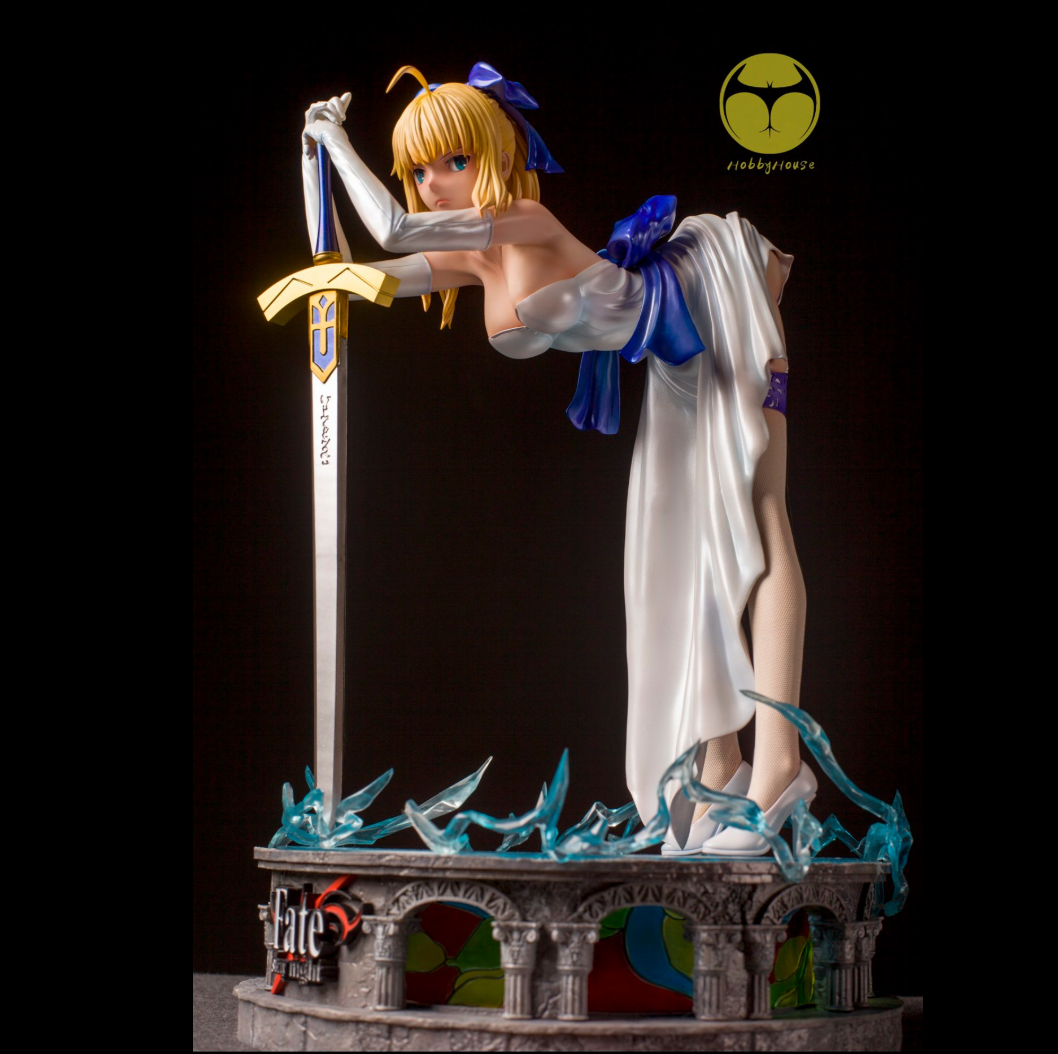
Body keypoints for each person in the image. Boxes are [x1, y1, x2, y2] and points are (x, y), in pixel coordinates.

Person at [300, 64, 815, 856]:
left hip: (717, 305)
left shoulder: (521, 219)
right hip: (676, 361)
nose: (434, 185)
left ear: (497, 155)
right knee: (684, 557)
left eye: (454, 161)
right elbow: (358, 274)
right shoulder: (475, 256)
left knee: (761, 518)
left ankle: (780, 770)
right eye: (420, 171)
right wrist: (310, 183)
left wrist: (336, 140)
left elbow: (395, 232)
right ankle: (721, 772)